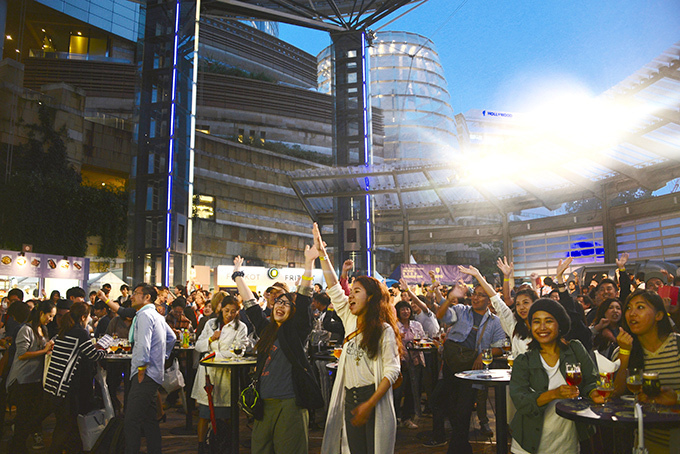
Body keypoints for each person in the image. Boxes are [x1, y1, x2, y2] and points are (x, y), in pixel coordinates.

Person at [313, 224, 402, 454]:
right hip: (350, 399)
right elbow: (333, 286)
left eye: (357, 291)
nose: (350, 295)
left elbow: (391, 372)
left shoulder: (384, 330)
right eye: (350, 291)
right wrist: (322, 254)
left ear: (371, 298)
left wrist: (369, 404)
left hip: (372, 399)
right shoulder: (350, 321)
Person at [235, 250, 324, 454]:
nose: (280, 306)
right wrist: (237, 274)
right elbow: (250, 305)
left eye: (286, 304)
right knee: (260, 449)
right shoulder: (266, 329)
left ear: (293, 312)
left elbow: (303, 300)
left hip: (290, 402)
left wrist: (309, 262)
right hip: (264, 402)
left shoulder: (296, 331)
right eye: (277, 303)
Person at [509, 298, 603, 454]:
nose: (542, 327)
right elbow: (522, 402)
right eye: (537, 322)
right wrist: (554, 394)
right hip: (528, 445)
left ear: (560, 325)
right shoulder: (523, 361)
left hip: (567, 443)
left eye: (549, 321)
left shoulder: (575, 349)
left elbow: (591, 381)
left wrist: (595, 393)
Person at [614, 289, 679, 453]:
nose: (632, 314)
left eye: (640, 307)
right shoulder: (623, 349)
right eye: (628, 308)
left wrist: (676, 398)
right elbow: (615, 393)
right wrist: (624, 353)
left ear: (659, 315)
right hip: (646, 441)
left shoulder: (677, 345)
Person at [44, 302, 106, 453]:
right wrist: (105, 350)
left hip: (53, 384)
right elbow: (92, 355)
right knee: (66, 424)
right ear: (84, 317)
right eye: (89, 316)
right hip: (64, 386)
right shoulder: (80, 332)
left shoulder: (65, 329)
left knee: (64, 423)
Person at [124, 283, 177, 454]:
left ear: (147, 297)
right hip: (153, 374)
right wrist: (162, 356)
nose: (131, 297)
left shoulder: (145, 315)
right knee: (149, 420)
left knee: (131, 421)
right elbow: (172, 338)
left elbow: (143, 346)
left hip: (144, 375)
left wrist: (141, 368)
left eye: (135, 293)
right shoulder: (157, 315)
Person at [192, 295, 248, 454]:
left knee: (227, 414)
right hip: (208, 374)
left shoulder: (241, 327)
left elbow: (239, 351)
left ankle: (226, 444)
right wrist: (211, 338)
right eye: (226, 310)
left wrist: (215, 354)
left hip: (227, 376)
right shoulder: (211, 324)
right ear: (221, 309)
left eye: (233, 311)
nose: (229, 314)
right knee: (204, 414)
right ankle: (202, 446)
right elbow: (199, 346)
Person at [6, 300, 56, 454]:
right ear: (41, 313)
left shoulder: (44, 329)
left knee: (31, 415)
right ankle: (16, 447)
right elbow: (22, 355)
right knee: (24, 416)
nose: (51, 319)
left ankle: (18, 444)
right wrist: (44, 350)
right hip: (22, 380)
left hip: (35, 379)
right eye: (49, 315)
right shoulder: (26, 329)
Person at [394, 300, 426, 429]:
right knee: (397, 392)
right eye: (402, 309)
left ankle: (408, 418)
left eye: (407, 309)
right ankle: (396, 417)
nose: (405, 311)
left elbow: (423, 339)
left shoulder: (416, 325)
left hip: (415, 362)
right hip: (400, 363)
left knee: (412, 391)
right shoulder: (394, 326)